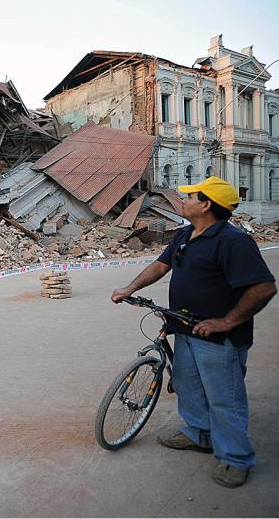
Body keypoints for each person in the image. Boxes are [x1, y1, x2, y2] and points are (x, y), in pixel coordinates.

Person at [111, 176, 276, 488]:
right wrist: (129, 287)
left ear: (207, 204)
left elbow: (264, 288)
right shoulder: (186, 234)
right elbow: (160, 266)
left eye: (190, 196)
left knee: (224, 398)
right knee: (189, 387)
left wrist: (226, 321)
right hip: (184, 328)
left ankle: (235, 458)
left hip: (218, 338)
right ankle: (200, 434)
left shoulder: (233, 241)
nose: (183, 200)